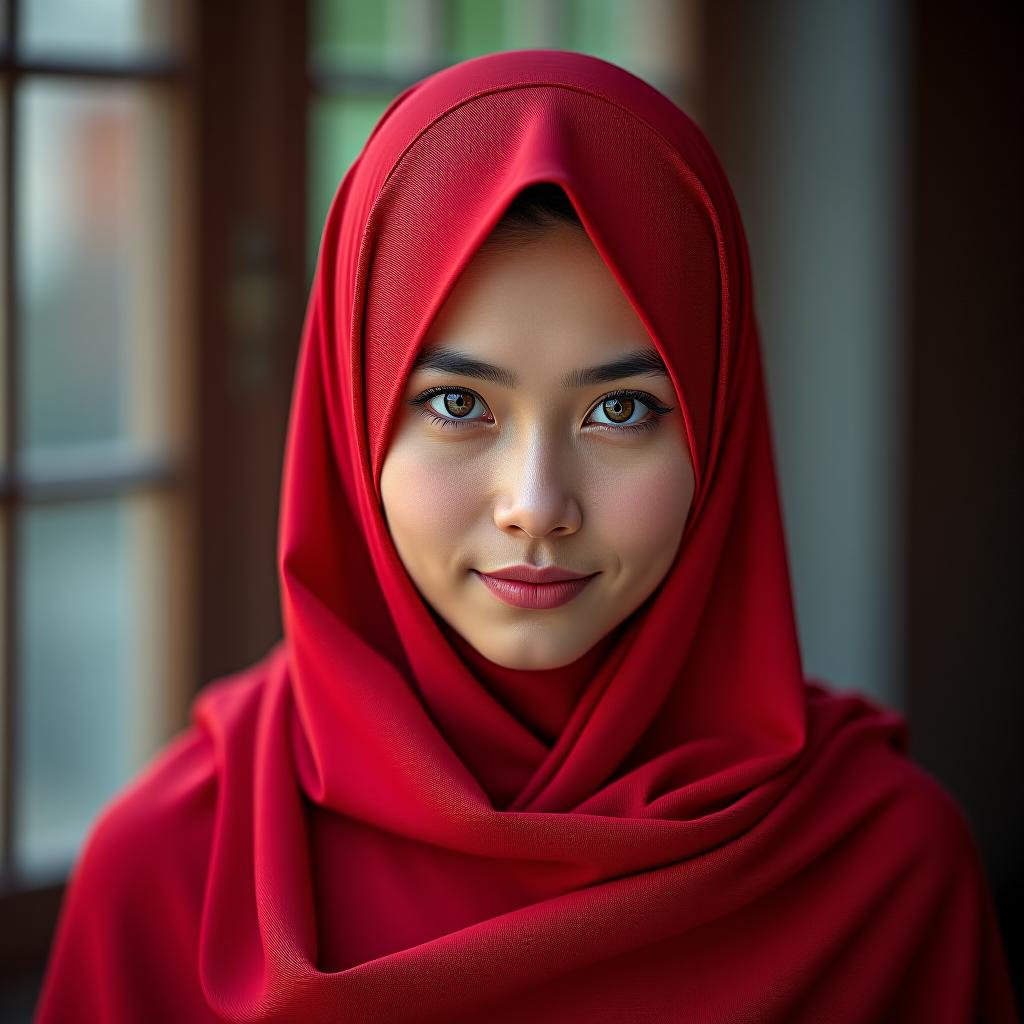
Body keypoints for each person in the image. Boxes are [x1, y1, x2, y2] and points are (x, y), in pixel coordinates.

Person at [35, 49, 1018, 1023]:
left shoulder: (883, 873)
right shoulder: (176, 876)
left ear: (718, 433)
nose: (537, 502)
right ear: (351, 419)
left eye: (623, 410)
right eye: (458, 402)